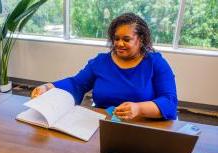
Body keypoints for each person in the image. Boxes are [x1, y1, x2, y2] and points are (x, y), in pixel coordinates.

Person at [31, 12, 178, 120]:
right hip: (102, 123)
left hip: (143, 125)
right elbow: (76, 84)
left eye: (126, 39)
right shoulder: (101, 62)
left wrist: (139, 108)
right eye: (116, 38)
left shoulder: (156, 63)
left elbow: (169, 102)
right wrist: (48, 88)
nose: (119, 44)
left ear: (141, 39)